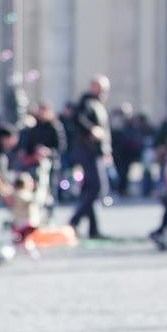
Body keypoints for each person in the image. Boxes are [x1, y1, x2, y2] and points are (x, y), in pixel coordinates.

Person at [66, 76, 112, 238]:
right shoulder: (87, 102)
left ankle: (93, 229)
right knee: (97, 188)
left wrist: (107, 151)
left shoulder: (97, 104)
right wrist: (91, 129)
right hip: (88, 151)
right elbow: (77, 118)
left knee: (89, 189)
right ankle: (74, 221)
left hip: (95, 151)